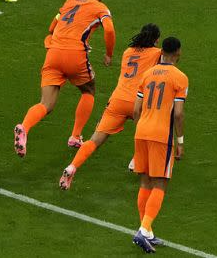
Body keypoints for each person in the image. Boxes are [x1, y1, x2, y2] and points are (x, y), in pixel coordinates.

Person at [13, 0, 115, 157]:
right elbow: (109, 29)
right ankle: (75, 136)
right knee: (88, 90)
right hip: (75, 54)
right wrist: (108, 54)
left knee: (46, 103)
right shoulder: (101, 7)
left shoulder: (70, 0)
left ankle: (24, 127)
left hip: (53, 54)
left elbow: (52, 26)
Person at [59, 24, 162, 190]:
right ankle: (137, 159)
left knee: (95, 140)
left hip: (118, 100)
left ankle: (72, 167)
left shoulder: (128, 52)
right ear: (156, 39)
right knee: (150, 128)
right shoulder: (158, 54)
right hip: (139, 101)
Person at [131, 37, 188, 253]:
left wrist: (141, 128)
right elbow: (179, 114)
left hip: (141, 132)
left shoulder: (147, 74)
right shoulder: (180, 78)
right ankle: (144, 230)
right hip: (160, 134)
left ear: (162, 51)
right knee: (161, 183)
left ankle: (147, 231)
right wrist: (180, 141)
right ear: (178, 52)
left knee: (145, 182)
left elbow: (135, 110)